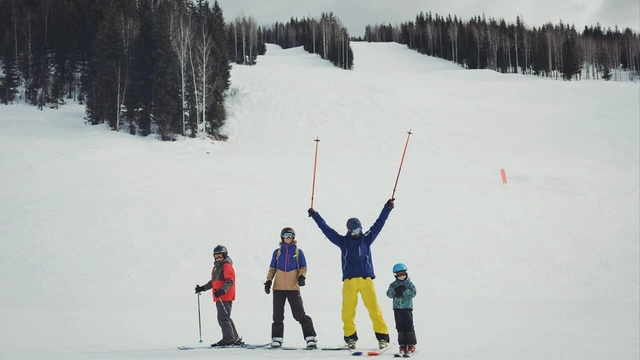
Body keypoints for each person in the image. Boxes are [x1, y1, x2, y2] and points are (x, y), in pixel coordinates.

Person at [308, 199, 395, 349]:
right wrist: (315, 216)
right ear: (349, 230)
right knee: (347, 311)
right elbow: (326, 229)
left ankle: (382, 337)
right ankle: (350, 338)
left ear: (361, 228)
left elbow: (379, 223)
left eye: (358, 230)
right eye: (353, 231)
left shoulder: (367, 239)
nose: (356, 233)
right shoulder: (343, 241)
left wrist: (387, 208)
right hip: (349, 281)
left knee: (374, 308)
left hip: (366, 279)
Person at [264, 227, 318, 349]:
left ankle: (310, 338)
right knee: (277, 315)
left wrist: (302, 277)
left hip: (293, 288)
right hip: (278, 288)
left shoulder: (298, 252)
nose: (288, 238)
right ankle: (277, 338)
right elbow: (272, 268)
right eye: (286, 236)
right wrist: (268, 281)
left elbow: (303, 267)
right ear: (282, 237)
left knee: (299, 314)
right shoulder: (277, 252)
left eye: (290, 236)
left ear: (293, 237)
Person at [194, 245, 242, 347]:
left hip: (225, 296)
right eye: (216, 256)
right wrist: (202, 288)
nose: (218, 258)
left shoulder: (227, 266)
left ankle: (228, 339)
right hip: (219, 296)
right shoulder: (216, 268)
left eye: (220, 256)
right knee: (225, 317)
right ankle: (234, 338)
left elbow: (229, 281)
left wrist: (222, 291)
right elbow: (213, 282)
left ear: (224, 255)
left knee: (223, 318)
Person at [386, 263, 417, 356]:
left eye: (403, 274)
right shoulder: (393, 285)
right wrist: (395, 291)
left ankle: (411, 344)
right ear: (396, 275)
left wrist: (404, 291)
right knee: (400, 326)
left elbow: (413, 293)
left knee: (408, 325)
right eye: (399, 275)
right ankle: (402, 344)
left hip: (407, 308)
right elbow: (389, 294)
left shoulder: (409, 283)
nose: (402, 276)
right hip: (397, 309)